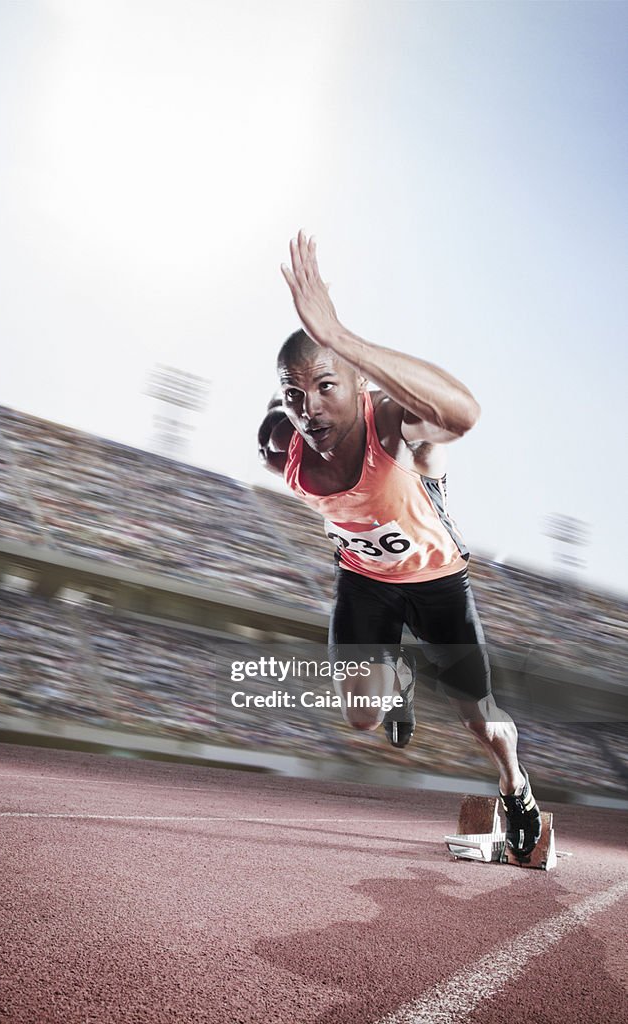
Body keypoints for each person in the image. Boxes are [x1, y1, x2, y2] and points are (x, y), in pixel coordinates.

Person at [258, 230, 542, 861]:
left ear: (358, 383)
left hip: (438, 581)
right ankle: (398, 687)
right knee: (361, 718)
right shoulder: (282, 442)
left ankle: (515, 785)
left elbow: (462, 414)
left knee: (480, 720)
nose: (309, 407)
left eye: (326, 386)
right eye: (293, 393)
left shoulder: (397, 424)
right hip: (364, 582)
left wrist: (341, 335)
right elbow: (298, 448)